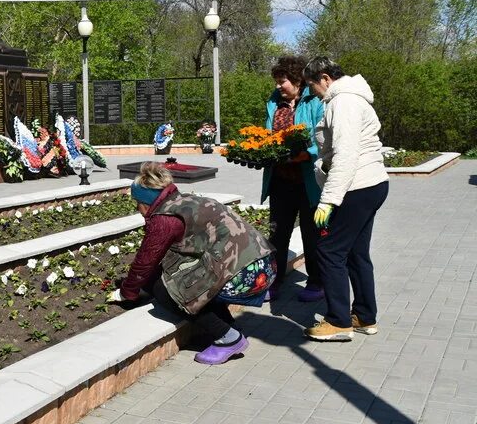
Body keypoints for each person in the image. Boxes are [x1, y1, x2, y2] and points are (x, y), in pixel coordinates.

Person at [107, 162, 276, 365]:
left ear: (146, 201)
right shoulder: (183, 201)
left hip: (245, 277)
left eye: (137, 202)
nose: (137, 209)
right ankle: (230, 326)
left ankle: (228, 339)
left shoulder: (165, 219)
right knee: (197, 281)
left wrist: (127, 292)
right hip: (263, 265)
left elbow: (145, 262)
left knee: (167, 291)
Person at [302, 57, 388, 341]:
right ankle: (364, 315)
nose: (313, 92)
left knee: (329, 251)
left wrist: (328, 200)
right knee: (355, 252)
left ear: (325, 78)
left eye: (313, 86)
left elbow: (346, 154)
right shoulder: (350, 99)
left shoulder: (344, 102)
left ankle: (338, 321)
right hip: (369, 184)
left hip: (357, 186)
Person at [261, 56, 325, 302]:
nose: (278, 86)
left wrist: (305, 154)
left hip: (308, 181)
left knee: (312, 234)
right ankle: (273, 282)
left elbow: (324, 138)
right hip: (280, 179)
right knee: (277, 233)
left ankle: (317, 282)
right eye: (276, 81)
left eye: (282, 81)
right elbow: (267, 134)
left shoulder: (314, 101)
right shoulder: (273, 102)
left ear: (297, 80)